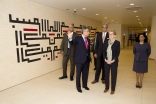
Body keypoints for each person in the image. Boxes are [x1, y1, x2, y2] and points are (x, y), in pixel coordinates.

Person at [68, 27, 91, 93]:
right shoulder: (78, 38)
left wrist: (89, 57)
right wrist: (70, 38)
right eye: (87, 31)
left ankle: (85, 85)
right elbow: (72, 42)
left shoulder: (88, 40)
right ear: (83, 32)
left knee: (85, 73)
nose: (88, 32)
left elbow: (88, 50)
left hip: (87, 59)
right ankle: (78, 87)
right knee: (78, 75)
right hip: (79, 60)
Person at [103, 29, 120, 95]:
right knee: (106, 75)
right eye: (109, 34)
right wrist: (105, 59)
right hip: (106, 61)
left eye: (112, 34)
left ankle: (113, 89)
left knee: (113, 75)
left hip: (114, 62)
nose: (110, 35)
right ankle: (106, 87)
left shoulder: (117, 43)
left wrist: (113, 60)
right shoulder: (106, 42)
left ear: (114, 35)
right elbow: (103, 51)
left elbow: (117, 53)